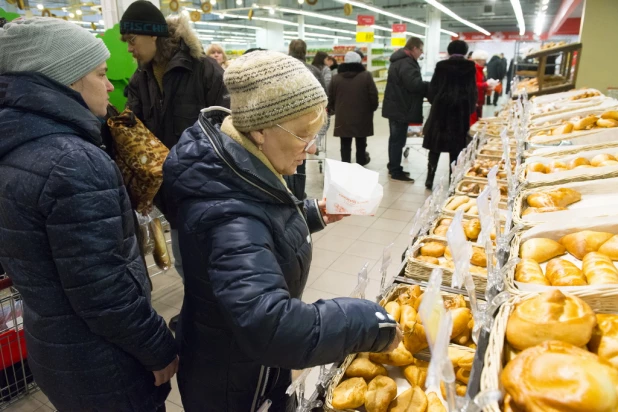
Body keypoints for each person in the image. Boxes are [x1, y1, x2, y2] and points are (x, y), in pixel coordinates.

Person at [163, 51, 401, 411]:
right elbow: (270, 325)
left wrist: (311, 214)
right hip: (232, 383)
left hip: (249, 365)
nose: (311, 148)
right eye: (304, 135)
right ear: (260, 130)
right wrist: (364, 321)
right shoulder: (227, 211)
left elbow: (260, 230)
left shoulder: (241, 166)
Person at [0, 17, 178, 411]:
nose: (111, 84)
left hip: (56, 348)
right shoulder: (72, 161)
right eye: (100, 74)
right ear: (66, 81)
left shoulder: (16, 145)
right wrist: (158, 347)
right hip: (106, 362)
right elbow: (103, 289)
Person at [121, 1, 230, 329]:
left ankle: (223, 321)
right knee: (187, 262)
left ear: (151, 36)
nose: (128, 48)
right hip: (170, 193)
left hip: (210, 188)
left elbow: (228, 124)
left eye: (131, 40)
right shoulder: (140, 79)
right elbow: (134, 126)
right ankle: (202, 316)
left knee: (218, 260)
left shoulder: (203, 69)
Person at [422, 40, 477, 189]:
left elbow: (432, 90)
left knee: (435, 146)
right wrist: (470, 108)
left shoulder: (441, 66)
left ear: (449, 51)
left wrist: (437, 101)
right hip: (460, 112)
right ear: (465, 51)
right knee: (457, 148)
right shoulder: (470, 67)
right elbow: (472, 90)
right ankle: (453, 180)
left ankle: (430, 177)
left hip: (441, 111)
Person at [382, 36, 429, 182]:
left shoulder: (400, 61)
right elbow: (413, 84)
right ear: (414, 48)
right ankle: (396, 171)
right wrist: (430, 86)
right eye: (421, 50)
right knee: (397, 140)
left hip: (397, 105)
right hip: (401, 107)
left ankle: (393, 166)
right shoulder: (406, 63)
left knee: (395, 139)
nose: (421, 53)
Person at [328, 51, 378, 166]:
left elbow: (330, 97)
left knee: (345, 145)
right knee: (361, 144)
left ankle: (346, 167)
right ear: (359, 62)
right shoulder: (366, 76)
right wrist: (371, 109)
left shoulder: (336, 78)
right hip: (362, 116)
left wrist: (334, 110)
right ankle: (360, 167)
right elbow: (373, 96)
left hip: (343, 117)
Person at [470, 50, 491, 125]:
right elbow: (472, 85)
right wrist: (485, 84)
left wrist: (487, 87)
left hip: (480, 99)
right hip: (474, 99)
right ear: (477, 60)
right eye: (483, 60)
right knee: (473, 121)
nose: (485, 62)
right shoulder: (473, 69)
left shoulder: (481, 69)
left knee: (478, 120)